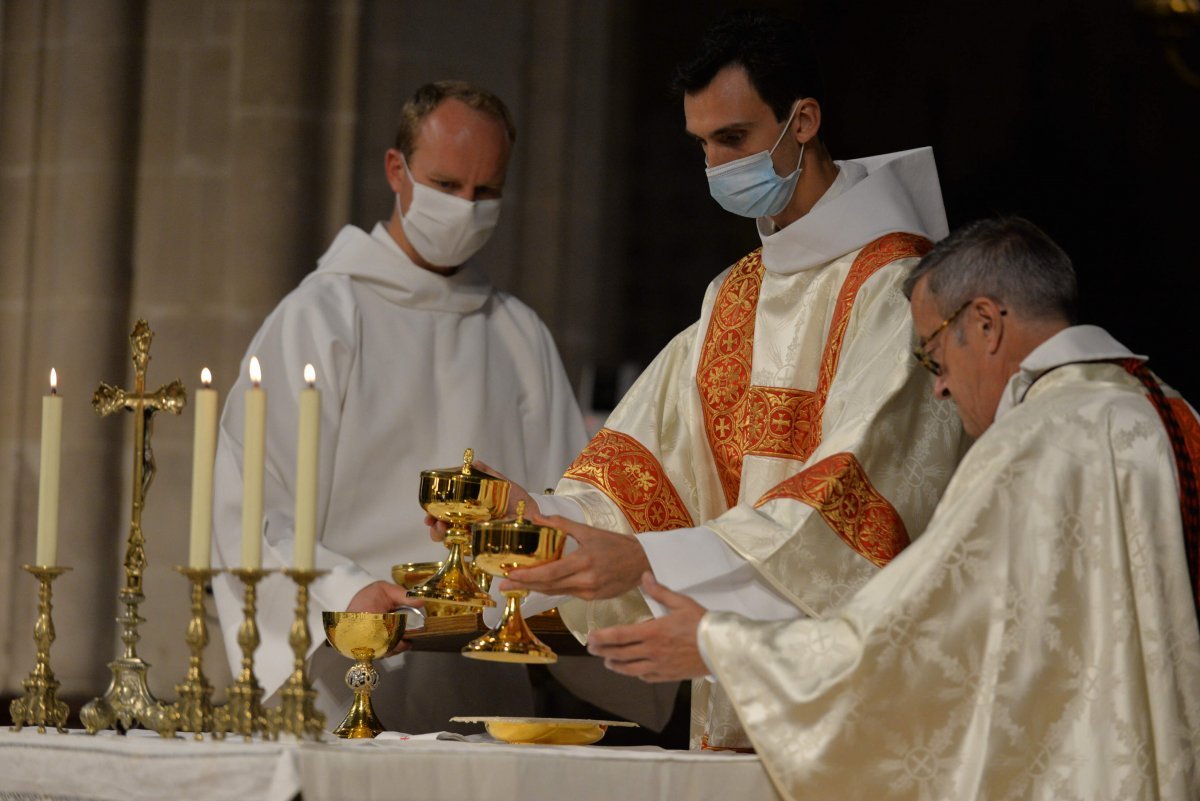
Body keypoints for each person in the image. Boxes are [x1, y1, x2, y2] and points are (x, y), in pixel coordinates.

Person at [587, 216, 1200, 798]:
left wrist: (722, 647)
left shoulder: (1032, 445)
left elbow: (910, 645)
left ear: (985, 323)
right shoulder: (1167, 415)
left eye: (933, 355)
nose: (938, 384)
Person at [494, 10, 968, 749]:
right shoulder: (736, 295)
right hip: (739, 695)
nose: (716, 165)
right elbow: (650, 466)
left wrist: (649, 558)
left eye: (734, 139)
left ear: (803, 120)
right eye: (703, 144)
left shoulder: (902, 289)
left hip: (857, 709)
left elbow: (851, 500)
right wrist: (542, 521)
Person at [211, 81, 668, 735]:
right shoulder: (322, 316)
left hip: (481, 685)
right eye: (448, 185)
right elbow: (250, 502)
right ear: (397, 170)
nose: (465, 208)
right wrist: (343, 595)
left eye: (486, 193)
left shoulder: (519, 334)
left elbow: (576, 505)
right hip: (344, 671)